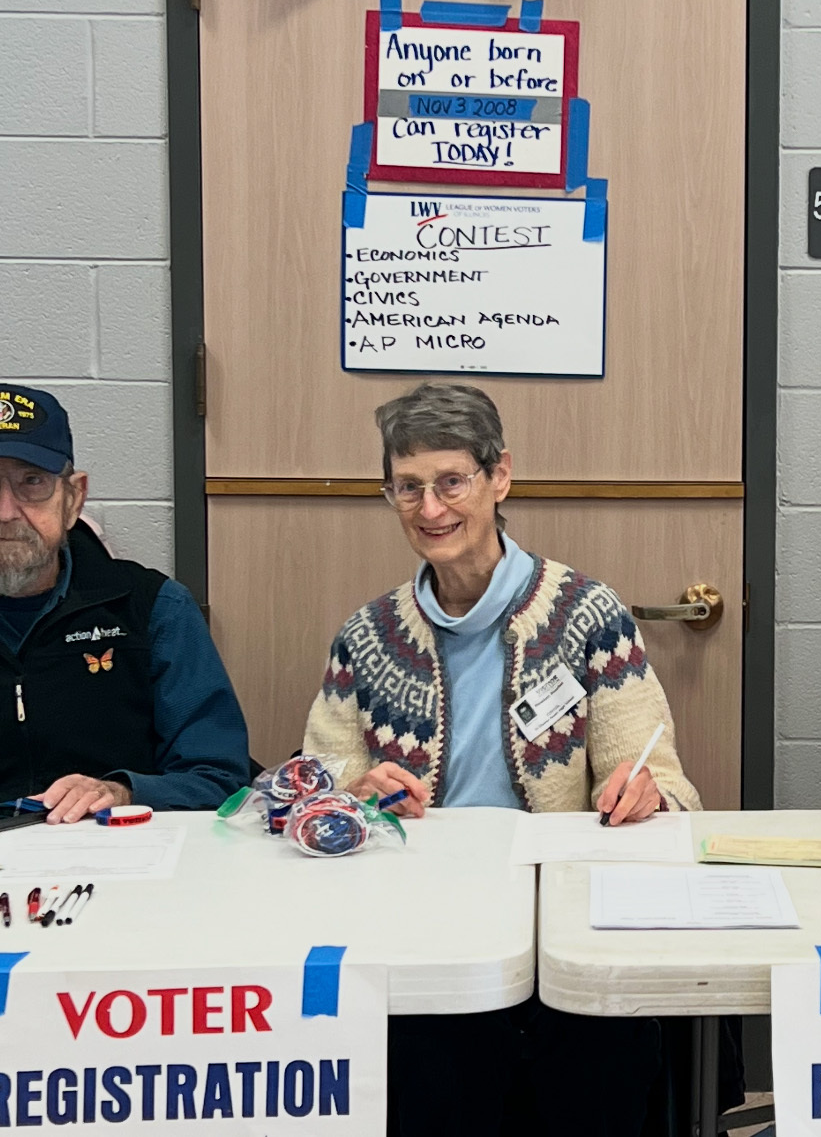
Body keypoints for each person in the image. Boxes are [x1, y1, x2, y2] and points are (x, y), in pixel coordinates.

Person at [302, 382, 701, 1137]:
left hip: (562, 930)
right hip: (425, 933)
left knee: (598, 1069)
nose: (430, 510)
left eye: (452, 481)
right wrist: (349, 796)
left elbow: (671, 787)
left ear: (499, 477)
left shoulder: (586, 614)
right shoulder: (368, 634)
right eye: (408, 487)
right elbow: (311, 800)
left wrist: (646, 796)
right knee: (429, 1076)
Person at [0, 384, 251, 819]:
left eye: (32, 482)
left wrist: (124, 793)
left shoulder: (154, 610)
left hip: (115, 854)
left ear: (73, 497)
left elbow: (220, 776)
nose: (5, 511)